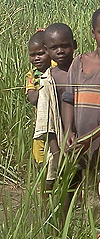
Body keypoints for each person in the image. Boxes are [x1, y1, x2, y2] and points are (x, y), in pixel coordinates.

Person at [61, 7, 100, 234]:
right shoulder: (78, 63)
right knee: (88, 199)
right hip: (81, 147)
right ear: (93, 33)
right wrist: (70, 131)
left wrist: (91, 137)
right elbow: (68, 99)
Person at [34, 23, 76, 192]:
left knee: (77, 181)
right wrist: (55, 150)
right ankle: (51, 218)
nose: (60, 51)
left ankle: (79, 217)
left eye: (64, 46)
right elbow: (47, 119)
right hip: (58, 139)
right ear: (47, 50)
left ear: (75, 44)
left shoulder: (83, 72)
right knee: (54, 180)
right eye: (54, 47)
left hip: (82, 135)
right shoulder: (48, 79)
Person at [26, 30, 52, 164]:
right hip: (40, 122)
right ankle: (42, 179)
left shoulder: (57, 69)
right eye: (32, 55)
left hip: (58, 122)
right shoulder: (32, 76)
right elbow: (33, 99)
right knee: (39, 152)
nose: (36, 58)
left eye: (41, 53)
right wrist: (44, 83)